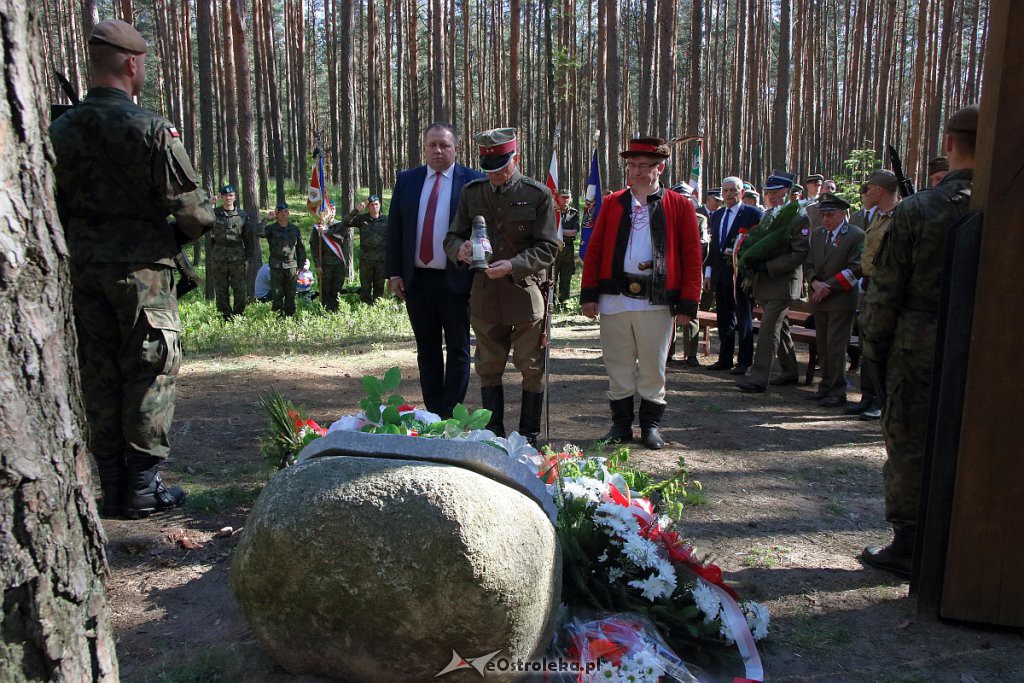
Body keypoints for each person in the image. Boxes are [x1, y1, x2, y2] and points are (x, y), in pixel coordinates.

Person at [49, 20, 216, 518]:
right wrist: (166, 239)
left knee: (96, 373)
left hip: (80, 271)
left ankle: (112, 483)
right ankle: (143, 487)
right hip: (142, 273)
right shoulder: (149, 129)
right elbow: (196, 214)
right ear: (131, 63)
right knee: (150, 369)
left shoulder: (59, 129)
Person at [859, 104, 977, 580]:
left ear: (948, 144)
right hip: (992, 345)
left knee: (909, 440)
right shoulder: (1004, 204)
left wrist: (873, 351)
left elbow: (885, 294)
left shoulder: (920, 208)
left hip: (919, 342)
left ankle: (909, 543)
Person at [581, 138, 702, 449]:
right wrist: (589, 293)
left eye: (643, 166)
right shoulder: (612, 203)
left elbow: (691, 256)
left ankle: (649, 427)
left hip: (657, 300)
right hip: (614, 297)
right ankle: (620, 426)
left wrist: (689, 301)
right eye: (632, 165)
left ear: (659, 168)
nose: (635, 171)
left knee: (652, 364)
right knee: (617, 362)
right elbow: (594, 251)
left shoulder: (681, 205)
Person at [444, 127, 559, 444]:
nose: (494, 175)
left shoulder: (537, 195)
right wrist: (461, 250)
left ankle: (529, 436)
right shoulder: (472, 193)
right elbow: (452, 237)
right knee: (488, 365)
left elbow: (550, 246)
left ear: (515, 158)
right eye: (489, 169)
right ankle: (493, 433)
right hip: (484, 296)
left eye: (501, 167)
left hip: (524, 294)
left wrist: (513, 265)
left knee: (531, 366)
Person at [386, 123, 485, 418]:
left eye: (444, 145)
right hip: (417, 280)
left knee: (458, 348)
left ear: (456, 148)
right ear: (424, 148)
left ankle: (450, 411)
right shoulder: (408, 180)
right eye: (432, 145)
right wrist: (394, 272)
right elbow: (396, 229)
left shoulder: (473, 181)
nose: (438, 150)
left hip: (456, 279)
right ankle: (433, 411)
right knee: (426, 348)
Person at [735, 172, 811, 393]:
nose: (772, 197)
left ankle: (758, 378)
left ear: (788, 193)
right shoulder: (769, 216)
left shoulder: (799, 216)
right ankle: (789, 372)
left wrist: (767, 266)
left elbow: (799, 254)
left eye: (777, 193)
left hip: (783, 283)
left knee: (768, 330)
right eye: (769, 193)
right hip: (767, 283)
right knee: (782, 328)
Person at [846, 169, 900, 421]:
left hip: (886, 289)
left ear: (879, 190)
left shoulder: (899, 217)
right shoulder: (878, 217)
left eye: (867, 189)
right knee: (867, 343)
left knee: (881, 346)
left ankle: (880, 401)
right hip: (869, 287)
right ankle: (868, 397)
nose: (863, 194)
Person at [804, 193, 864, 408]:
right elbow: (809, 264)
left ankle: (838, 390)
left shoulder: (855, 235)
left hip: (841, 300)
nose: (826, 219)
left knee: (836, 346)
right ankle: (825, 386)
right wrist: (814, 283)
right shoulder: (819, 234)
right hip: (820, 298)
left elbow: (856, 267)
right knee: (823, 346)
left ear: (842, 214)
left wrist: (827, 286)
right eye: (823, 215)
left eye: (830, 215)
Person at [706, 176, 763, 374]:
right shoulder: (717, 215)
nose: (729, 194)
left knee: (744, 319)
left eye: (733, 190)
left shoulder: (753, 214)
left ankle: (744, 361)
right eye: (726, 190)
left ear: (741, 192)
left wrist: (751, 274)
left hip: (741, 275)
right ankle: (725, 358)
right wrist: (708, 272)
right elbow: (714, 247)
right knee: (723, 318)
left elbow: (758, 246)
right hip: (721, 275)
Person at [668, 181, 710, 367]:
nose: (684, 202)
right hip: (670, 272)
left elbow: (703, 247)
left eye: (687, 198)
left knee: (691, 312)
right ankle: (667, 351)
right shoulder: (664, 217)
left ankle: (691, 354)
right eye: (680, 198)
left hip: (692, 271)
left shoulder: (699, 218)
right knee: (667, 312)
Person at [209, 184, 253, 320]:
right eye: (225, 195)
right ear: (221, 197)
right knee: (221, 288)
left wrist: (248, 259)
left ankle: (238, 314)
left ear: (234, 197)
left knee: (239, 288)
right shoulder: (214, 214)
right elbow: (199, 220)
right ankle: (225, 315)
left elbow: (249, 239)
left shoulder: (242, 215)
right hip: (219, 256)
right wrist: (207, 205)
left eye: (231, 195)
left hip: (237, 257)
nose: (228, 198)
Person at [261, 202, 306, 317]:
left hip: (291, 265)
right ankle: (278, 318)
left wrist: (300, 267)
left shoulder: (294, 229)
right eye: (280, 212)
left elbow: (300, 248)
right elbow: (258, 232)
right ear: (276, 214)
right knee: (277, 294)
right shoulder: (271, 228)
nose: (283, 214)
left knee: (291, 294)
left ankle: (290, 316)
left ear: (288, 213)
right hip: (276, 265)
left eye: (285, 211)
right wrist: (266, 219)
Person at [345, 194, 389, 304]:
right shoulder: (362, 219)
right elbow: (346, 222)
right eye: (372, 205)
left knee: (379, 286)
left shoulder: (386, 220)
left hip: (381, 260)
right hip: (366, 260)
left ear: (379, 205)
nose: (375, 207)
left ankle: (378, 308)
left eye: (376, 204)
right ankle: (366, 306)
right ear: (368, 207)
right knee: (365, 286)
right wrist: (356, 210)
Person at [311, 214, 349, 312]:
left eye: (333, 209)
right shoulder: (317, 228)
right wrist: (318, 264)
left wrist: (327, 231)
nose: (331, 211)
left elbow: (343, 241)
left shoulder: (341, 225)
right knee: (325, 291)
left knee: (336, 291)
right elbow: (314, 247)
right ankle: (325, 312)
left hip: (339, 264)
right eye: (329, 209)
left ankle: (335, 312)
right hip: (325, 265)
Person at [554, 188, 581, 304]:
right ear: (558, 198)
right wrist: (564, 231)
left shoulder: (573, 213)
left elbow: (574, 232)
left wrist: (558, 231)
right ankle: (551, 303)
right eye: (563, 197)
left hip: (568, 249)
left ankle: (564, 303)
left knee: (566, 278)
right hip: (554, 250)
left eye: (567, 197)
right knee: (552, 277)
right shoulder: (552, 212)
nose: (565, 200)